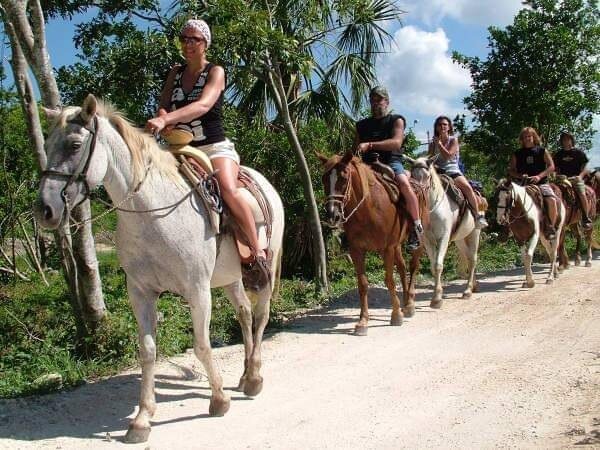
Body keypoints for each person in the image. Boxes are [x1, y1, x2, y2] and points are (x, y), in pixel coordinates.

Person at [146, 19, 268, 278]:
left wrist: (167, 120)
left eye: (194, 39)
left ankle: (257, 254)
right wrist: (164, 117)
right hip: (179, 146)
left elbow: (203, 105)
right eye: (184, 39)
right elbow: (164, 104)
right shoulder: (175, 73)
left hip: (213, 147)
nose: (188, 44)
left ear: (205, 44)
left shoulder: (216, 72)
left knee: (228, 189)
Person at [354, 86, 423, 251]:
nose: (375, 103)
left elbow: (396, 143)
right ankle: (347, 229)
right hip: (367, 165)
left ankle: (416, 227)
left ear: (387, 102)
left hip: (391, 162)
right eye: (372, 100)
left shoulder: (396, 120)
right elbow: (355, 148)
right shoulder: (362, 125)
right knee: (347, 184)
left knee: (404, 183)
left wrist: (370, 144)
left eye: (379, 100)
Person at [427, 116, 488, 229]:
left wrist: (439, 144)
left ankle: (478, 216)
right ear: (436, 127)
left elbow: (449, 156)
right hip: (437, 173)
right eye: (439, 124)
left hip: (452, 171)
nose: (442, 126)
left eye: (445, 124)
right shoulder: (432, 144)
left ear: (449, 127)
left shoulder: (453, 140)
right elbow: (430, 159)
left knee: (467, 188)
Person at [508, 127, 559, 239]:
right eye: (525, 137)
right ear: (522, 139)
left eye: (529, 136)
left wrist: (539, 176)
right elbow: (511, 170)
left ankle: (550, 226)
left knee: (551, 200)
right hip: (522, 184)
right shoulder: (517, 154)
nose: (527, 139)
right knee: (506, 199)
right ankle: (507, 228)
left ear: (534, 137)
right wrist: (520, 176)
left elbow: (551, 166)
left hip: (541, 183)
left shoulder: (542, 150)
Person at [554, 131, 592, 229]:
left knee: (581, 192)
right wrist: (558, 175)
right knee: (551, 192)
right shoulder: (558, 154)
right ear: (561, 141)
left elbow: (586, 167)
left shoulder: (578, 153)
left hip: (575, 178)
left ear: (571, 140)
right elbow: (556, 169)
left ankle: (585, 217)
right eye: (564, 139)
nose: (566, 141)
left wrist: (580, 176)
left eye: (568, 139)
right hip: (563, 179)